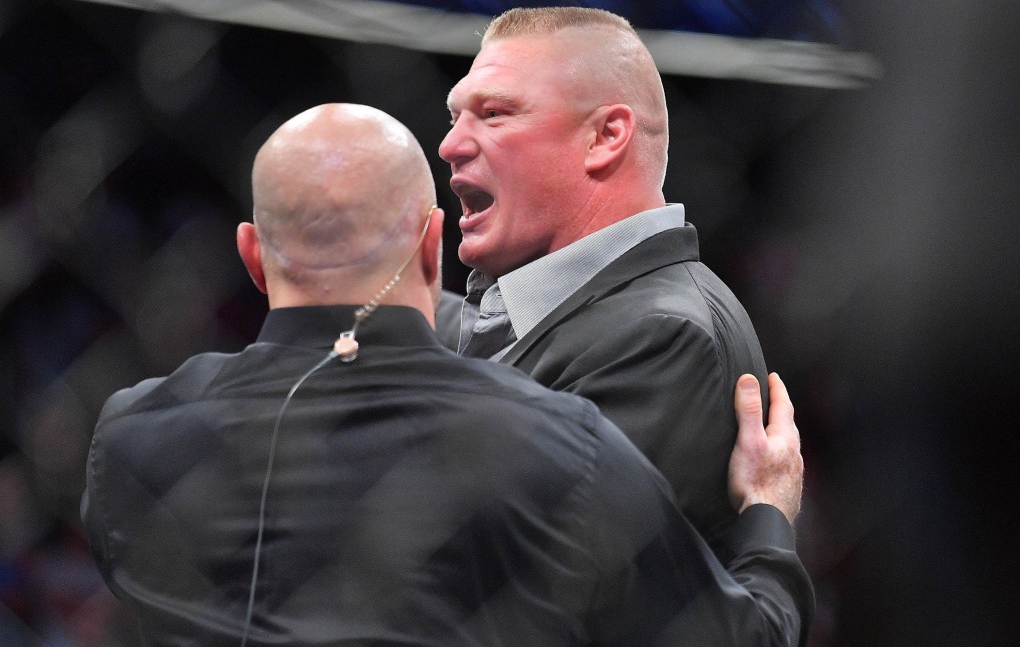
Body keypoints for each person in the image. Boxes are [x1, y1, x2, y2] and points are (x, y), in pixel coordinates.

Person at [82, 103, 811, 646]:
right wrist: (768, 515)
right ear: (434, 244)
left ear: (250, 257)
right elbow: (745, 637)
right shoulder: (557, 444)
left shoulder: (132, 436)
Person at [440, 6, 769, 553]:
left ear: (605, 136)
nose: (452, 145)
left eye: (494, 113)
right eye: (454, 117)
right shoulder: (564, 310)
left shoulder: (659, 337)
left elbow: (533, 589)